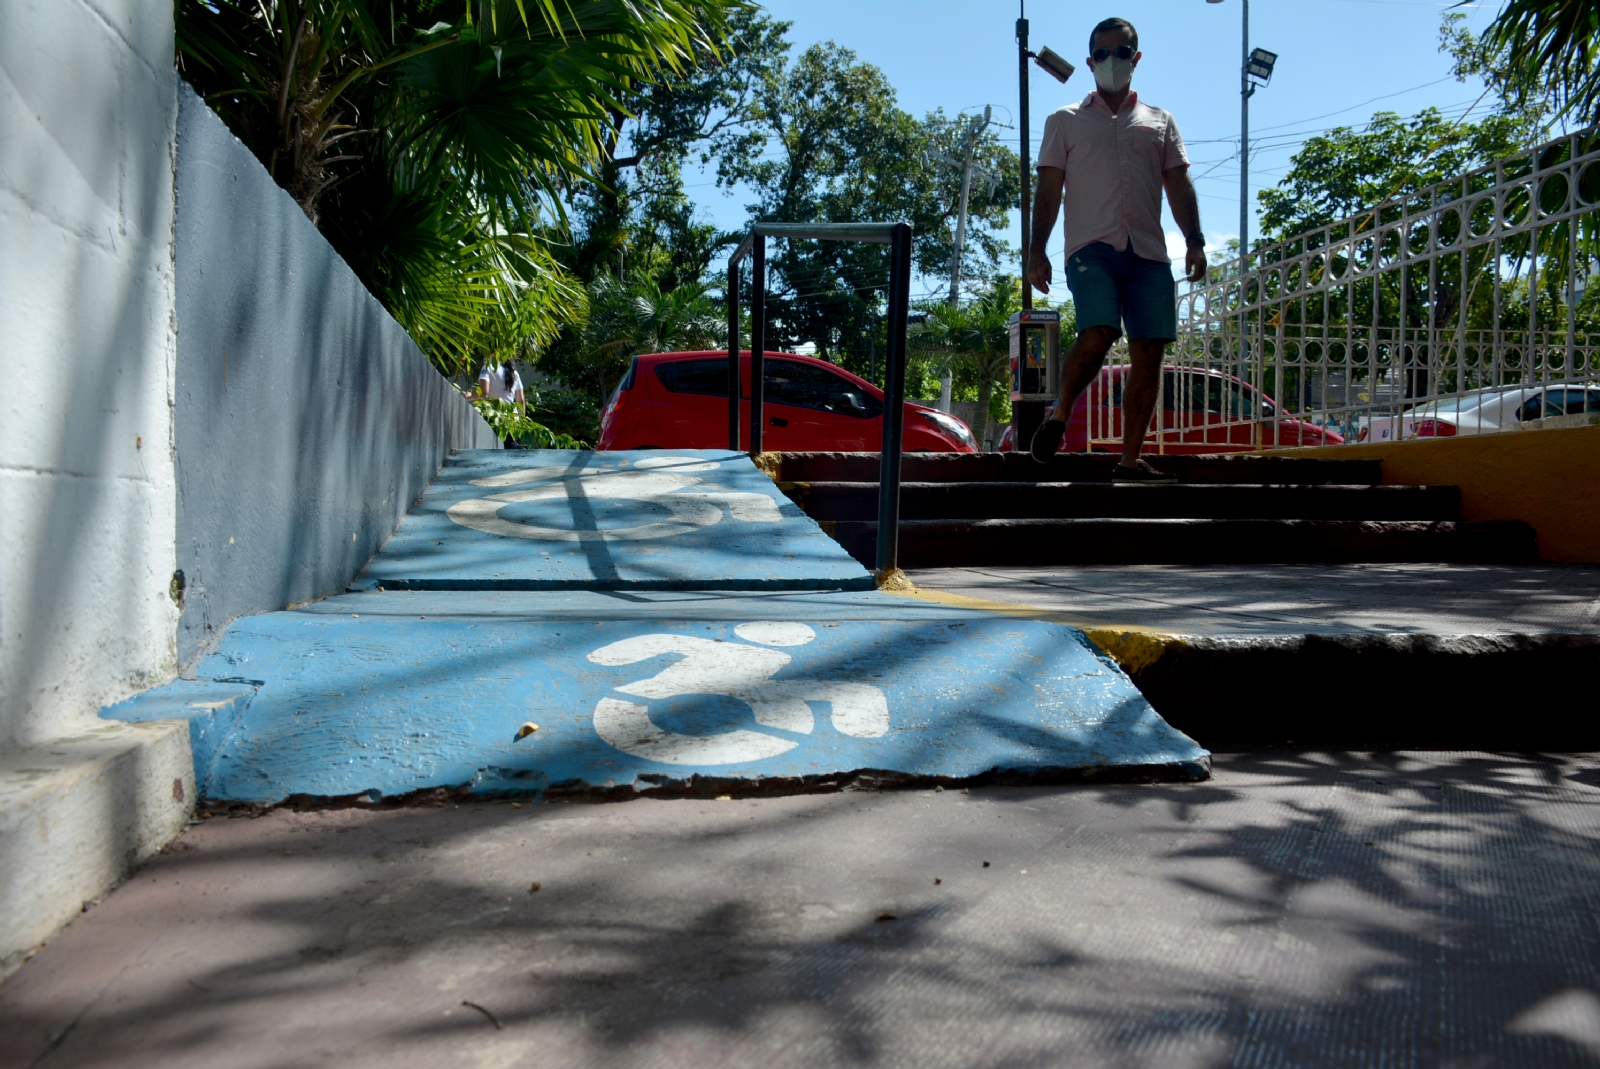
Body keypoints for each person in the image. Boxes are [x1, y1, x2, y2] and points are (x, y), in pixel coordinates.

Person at [1027, 16, 1207, 481]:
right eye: (1102, 54)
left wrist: (1195, 241)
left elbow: (1178, 185)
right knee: (1100, 331)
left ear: (1136, 58)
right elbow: (1048, 190)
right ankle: (1061, 413)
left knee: (1150, 352)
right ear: (1090, 62)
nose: (1111, 61)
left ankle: (1129, 461)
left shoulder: (1160, 121)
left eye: (1120, 52)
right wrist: (1036, 250)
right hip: (1091, 249)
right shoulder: (1064, 121)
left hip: (1148, 253)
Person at [471, 360, 527, 448]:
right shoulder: (514, 374)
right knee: (510, 452)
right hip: (512, 421)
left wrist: (468, 396)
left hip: (493, 418)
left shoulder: (488, 368)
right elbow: (521, 400)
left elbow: (484, 392)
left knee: (490, 451)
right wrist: (521, 425)